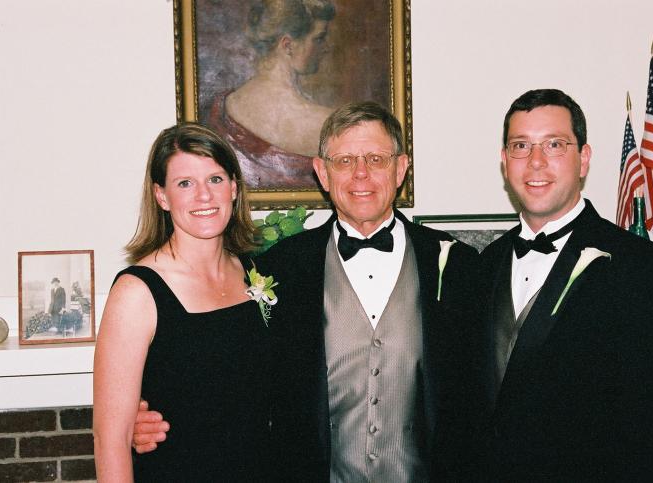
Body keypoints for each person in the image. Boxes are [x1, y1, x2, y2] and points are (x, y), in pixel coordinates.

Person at [133, 102, 483, 481]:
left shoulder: (458, 266)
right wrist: (146, 417)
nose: (360, 174)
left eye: (376, 159)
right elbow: (232, 372)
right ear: (322, 173)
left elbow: (485, 386)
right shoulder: (279, 269)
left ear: (400, 169)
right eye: (344, 161)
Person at [477, 88, 653, 481]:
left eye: (555, 145)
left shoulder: (647, 271)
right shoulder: (481, 266)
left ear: (584, 159)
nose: (536, 162)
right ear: (503, 161)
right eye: (520, 146)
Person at [93, 123, 272, 481]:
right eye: (185, 183)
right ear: (161, 196)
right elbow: (109, 439)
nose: (204, 196)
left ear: (234, 188)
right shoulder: (137, 292)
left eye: (215, 180)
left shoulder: (256, 272)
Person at [209, 0, 336, 189]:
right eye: (319, 38)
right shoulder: (325, 122)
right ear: (287, 45)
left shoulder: (224, 104)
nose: (326, 47)